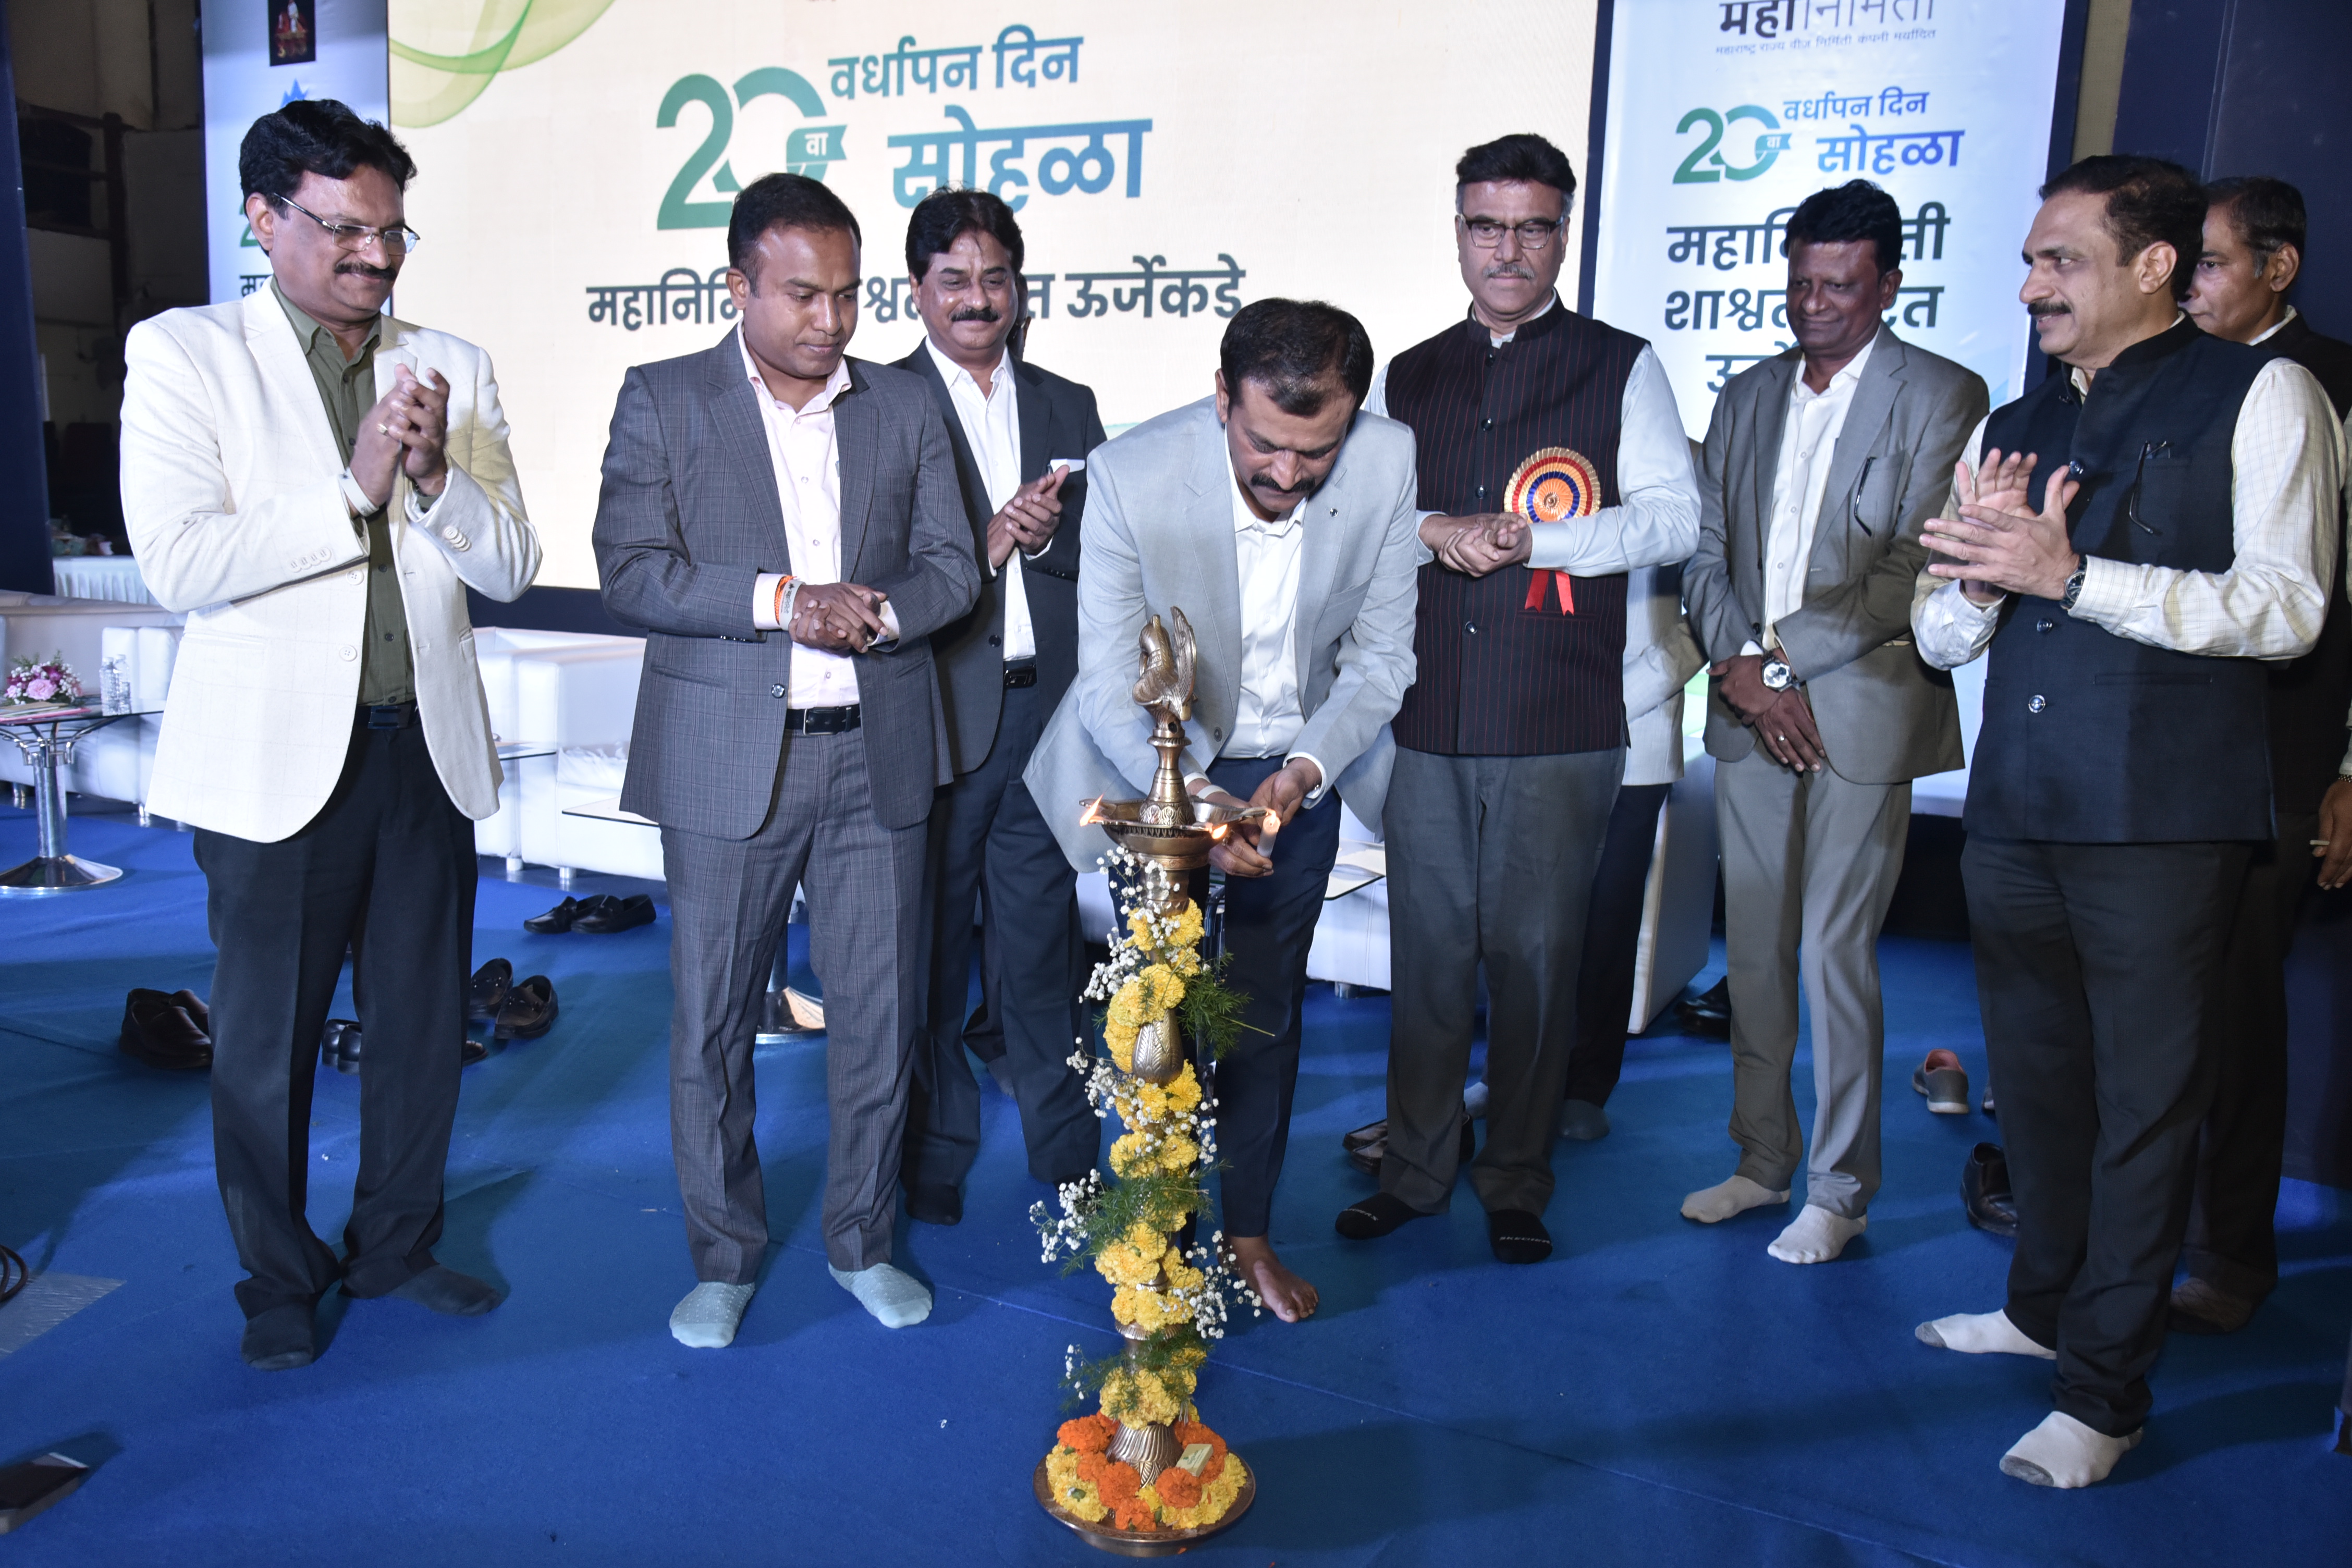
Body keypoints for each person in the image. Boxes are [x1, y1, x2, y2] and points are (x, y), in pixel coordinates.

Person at [1909, 155, 2341, 1489]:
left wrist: (2076, 574)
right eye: (2030, 262)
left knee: (2146, 1113)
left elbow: (2290, 609)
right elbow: (1938, 636)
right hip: (2015, 814)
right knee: (2039, 1091)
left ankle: (2105, 1395)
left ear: (2155, 266)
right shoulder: (2017, 421)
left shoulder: (2266, 393)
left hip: (2165, 824)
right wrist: (1982, 585)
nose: (2031, 287)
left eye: (2062, 262)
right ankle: (2042, 1310)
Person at [118, 100, 540, 1370]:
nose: (376, 254)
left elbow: (512, 564)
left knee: (421, 1028)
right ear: (263, 216)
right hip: (272, 767)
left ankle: (397, 1246)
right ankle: (279, 1277)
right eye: (344, 227)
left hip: (424, 750)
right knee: (266, 1044)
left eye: (392, 231)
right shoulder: (186, 354)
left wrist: (434, 480)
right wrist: (353, 487)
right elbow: (179, 563)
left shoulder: (453, 363)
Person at [592, 174, 978, 1344]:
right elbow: (632, 570)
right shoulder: (664, 398)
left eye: (848, 295)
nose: (831, 319)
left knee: (881, 1017)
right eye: (803, 295)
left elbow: (953, 567)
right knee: (713, 1022)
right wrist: (784, 601)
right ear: (738, 286)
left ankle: (862, 1240)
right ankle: (724, 1256)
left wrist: (879, 615)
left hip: (877, 758)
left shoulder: (904, 405)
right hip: (726, 762)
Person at [1333, 132, 1699, 1265]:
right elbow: (1360, 518)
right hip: (1427, 713)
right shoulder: (1407, 373)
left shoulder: (1622, 365)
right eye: (1487, 227)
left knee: (1538, 967)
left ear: (1562, 238)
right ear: (1458, 234)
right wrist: (1433, 529)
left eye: (1533, 228)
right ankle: (1414, 1170)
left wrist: (1540, 537)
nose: (1508, 250)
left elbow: (1675, 519)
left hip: (1560, 717)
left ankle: (1516, 1179)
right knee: (1428, 963)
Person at [1026, 299, 1423, 1321]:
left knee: (1262, 1017)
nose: (1287, 475)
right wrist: (1199, 802)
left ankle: (1248, 1235)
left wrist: (1304, 772)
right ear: (1220, 399)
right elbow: (1108, 682)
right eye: (1264, 446)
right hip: (1161, 771)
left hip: (1300, 765)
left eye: (1316, 452)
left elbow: (1382, 659)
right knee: (1153, 1016)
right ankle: (1154, 1238)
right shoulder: (1131, 474)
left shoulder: (1387, 462)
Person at [1681, 180, 1987, 1264]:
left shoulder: (1943, 393)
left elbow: (1915, 563)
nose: (1814, 306)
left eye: (1841, 288)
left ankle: (1842, 1189)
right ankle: (1762, 1160)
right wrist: (1743, 674)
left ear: (1889, 285)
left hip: (1863, 713)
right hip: (1750, 711)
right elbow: (1705, 550)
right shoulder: (1746, 393)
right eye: (1801, 283)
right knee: (1756, 952)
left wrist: (1781, 663)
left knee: (1831, 951)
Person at [893, 188, 1108, 1226]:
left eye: (995, 278)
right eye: (954, 280)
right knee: (931, 951)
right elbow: (866, 567)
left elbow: (1107, 553)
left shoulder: (1068, 403)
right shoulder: (876, 402)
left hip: (1047, 715)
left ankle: (1067, 1156)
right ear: (917, 291)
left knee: (1040, 947)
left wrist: (1048, 536)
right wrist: (984, 543)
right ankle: (933, 1158)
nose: (977, 299)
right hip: (935, 714)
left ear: (1020, 288)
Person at [2176, 174, 2352, 1334]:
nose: (2186, 283)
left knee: (2238, 1014)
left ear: (2277, 268)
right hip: (2158, 751)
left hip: (2284, 752)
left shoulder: (2336, 383)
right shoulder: (2162, 376)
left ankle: (2231, 1256)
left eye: (2209, 262)